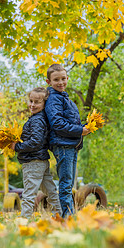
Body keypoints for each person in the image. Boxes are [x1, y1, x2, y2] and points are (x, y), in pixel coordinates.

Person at [45, 64, 90, 218]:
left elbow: (71, 123)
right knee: (65, 185)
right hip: (63, 146)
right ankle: (67, 217)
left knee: (68, 184)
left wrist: (85, 128)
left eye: (63, 78)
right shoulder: (53, 99)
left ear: (67, 78)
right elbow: (57, 124)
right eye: (56, 79)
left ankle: (68, 215)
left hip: (70, 145)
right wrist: (80, 131)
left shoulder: (64, 98)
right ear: (48, 82)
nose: (61, 82)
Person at [10, 87, 62, 218]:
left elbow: (35, 142)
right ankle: (60, 216)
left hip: (33, 162)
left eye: (37, 102)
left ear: (45, 103)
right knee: (51, 192)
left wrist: (17, 147)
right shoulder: (40, 118)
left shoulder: (37, 120)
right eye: (31, 101)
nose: (32, 105)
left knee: (28, 194)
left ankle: (24, 220)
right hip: (41, 161)